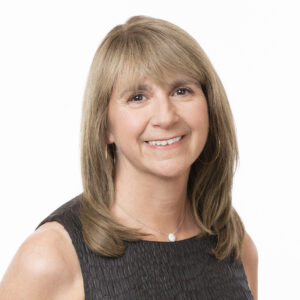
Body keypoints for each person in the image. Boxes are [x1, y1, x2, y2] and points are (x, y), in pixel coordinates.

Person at [0, 15, 258, 299]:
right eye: (137, 97)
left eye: (182, 91)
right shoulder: (51, 257)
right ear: (105, 126)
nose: (166, 116)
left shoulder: (233, 244)